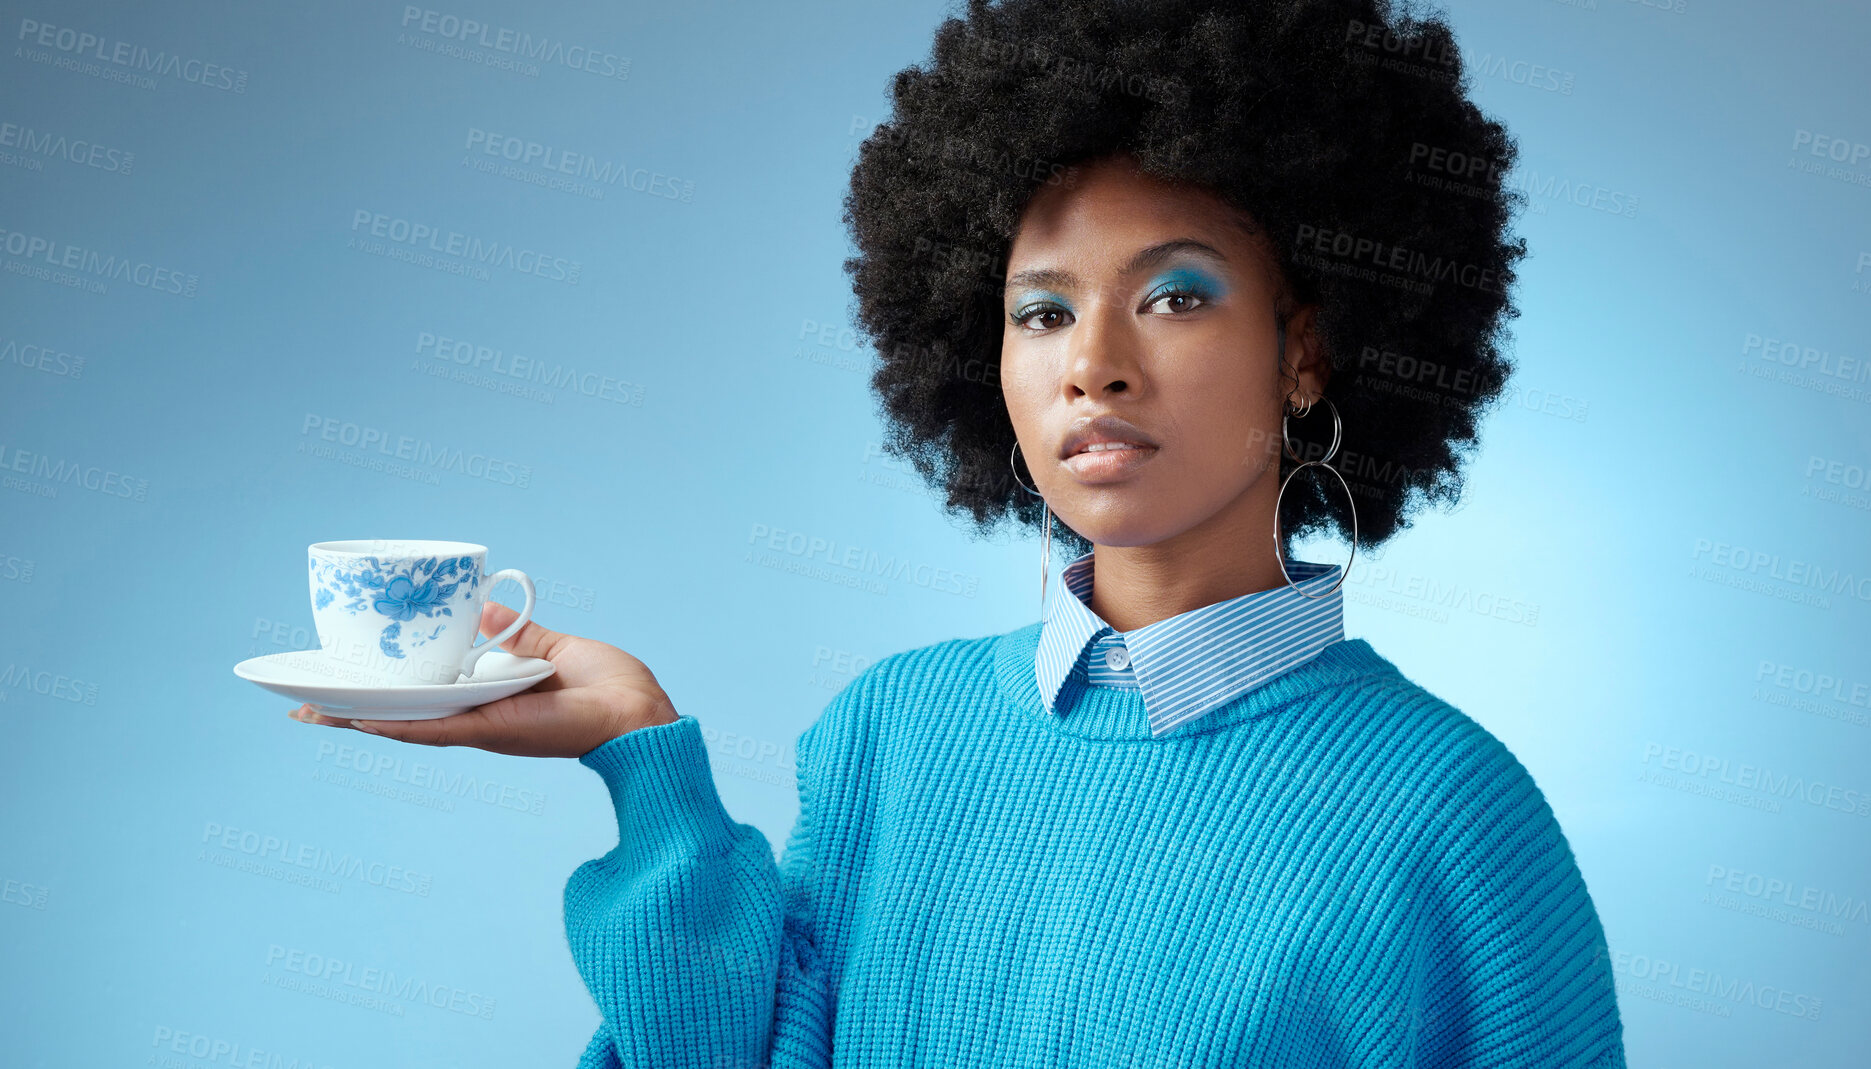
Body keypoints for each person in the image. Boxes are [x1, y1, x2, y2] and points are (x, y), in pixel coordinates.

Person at [293, 0, 1627, 1065]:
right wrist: (640, 755)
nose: (1091, 364)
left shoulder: (1454, 815)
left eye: (1174, 294)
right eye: (1043, 310)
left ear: (1306, 349)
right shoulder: (894, 732)